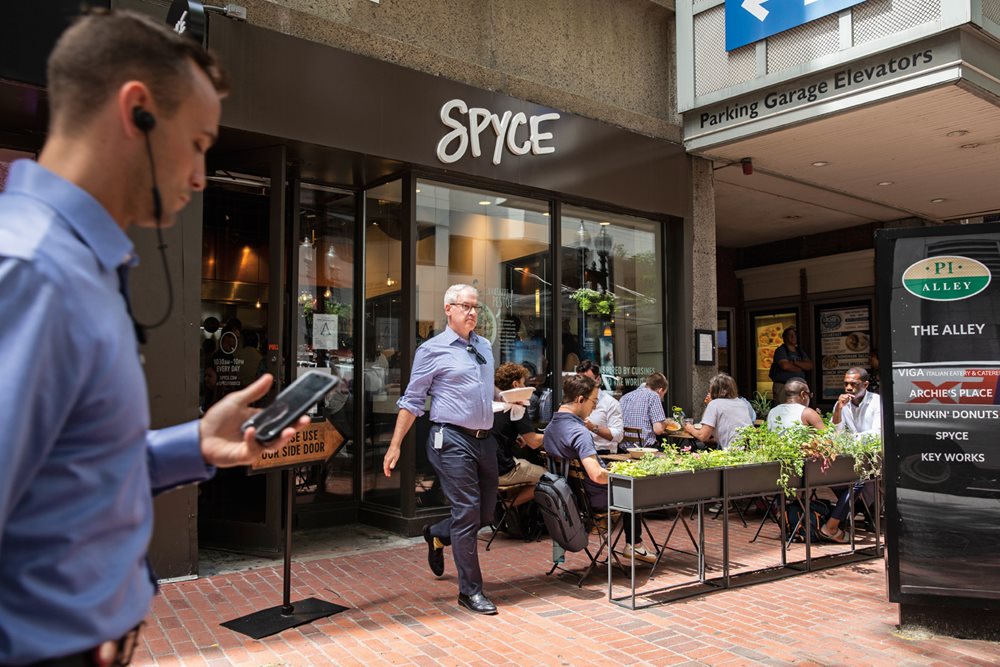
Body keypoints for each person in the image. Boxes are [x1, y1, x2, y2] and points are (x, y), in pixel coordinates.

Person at [0, 11, 308, 665]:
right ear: (136, 110)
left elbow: (68, 472)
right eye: (197, 142)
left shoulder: (74, 267)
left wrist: (193, 444)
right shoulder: (30, 272)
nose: (201, 175)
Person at [382, 284, 499, 615]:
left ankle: (435, 533)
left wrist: (506, 398)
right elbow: (412, 400)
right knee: (467, 511)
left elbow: (483, 388)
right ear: (448, 309)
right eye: (466, 306)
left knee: (486, 514)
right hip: (450, 440)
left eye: (476, 307)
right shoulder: (431, 350)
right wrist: (395, 445)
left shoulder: (485, 346)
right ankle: (470, 591)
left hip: (484, 439)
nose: (473, 312)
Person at [543, 375, 656, 563]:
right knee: (635, 489)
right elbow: (597, 475)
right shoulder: (579, 432)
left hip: (571, 497)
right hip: (594, 497)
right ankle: (634, 545)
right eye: (593, 401)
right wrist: (623, 473)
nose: (594, 407)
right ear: (580, 399)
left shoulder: (550, 428)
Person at [820, 367, 883, 543]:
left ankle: (854, 512)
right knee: (831, 476)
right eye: (846, 383)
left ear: (865, 384)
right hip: (853, 456)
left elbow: (877, 433)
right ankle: (853, 510)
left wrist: (850, 440)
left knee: (859, 480)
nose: (848, 388)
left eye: (853, 384)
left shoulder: (876, 402)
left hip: (876, 453)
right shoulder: (841, 403)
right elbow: (835, 435)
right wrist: (838, 410)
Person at [492, 362, 545, 507]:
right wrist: (555, 434)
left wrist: (515, 436)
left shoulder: (494, 405)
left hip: (485, 470)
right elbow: (533, 442)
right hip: (503, 471)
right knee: (548, 479)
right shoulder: (517, 408)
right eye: (523, 383)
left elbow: (500, 431)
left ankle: (513, 519)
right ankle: (507, 505)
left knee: (524, 469)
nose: (525, 387)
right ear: (515, 384)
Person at [684, 373, 753, 450]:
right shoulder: (742, 403)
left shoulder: (715, 404)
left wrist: (688, 427)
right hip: (751, 451)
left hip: (734, 453)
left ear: (714, 390)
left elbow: (703, 436)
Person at [576, 360, 624, 453]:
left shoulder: (610, 403)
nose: (583, 385)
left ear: (597, 380)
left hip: (602, 453)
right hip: (578, 452)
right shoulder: (576, 400)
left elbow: (618, 436)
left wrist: (593, 428)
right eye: (580, 380)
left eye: (587, 380)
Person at [618, 372, 670, 449]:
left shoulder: (625, 397)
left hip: (624, 448)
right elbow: (658, 430)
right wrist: (666, 423)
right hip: (644, 448)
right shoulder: (653, 396)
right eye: (663, 394)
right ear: (660, 390)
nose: (662, 398)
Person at [770, 326, 813, 404]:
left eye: (795, 335)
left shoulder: (800, 351)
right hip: (783, 386)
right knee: (784, 410)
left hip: (799, 388)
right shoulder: (781, 350)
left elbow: (809, 366)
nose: (793, 337)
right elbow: (785, 366)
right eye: (790, 335)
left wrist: (794, 363)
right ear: (784, 338)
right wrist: (801, 367)